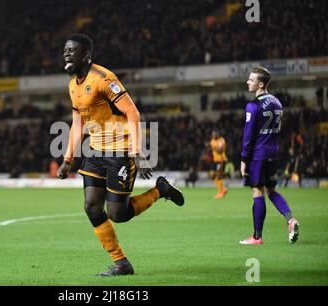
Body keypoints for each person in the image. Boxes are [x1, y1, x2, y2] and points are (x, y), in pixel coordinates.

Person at [57, 33, 184, 276]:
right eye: (65, 50)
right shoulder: (73, 85)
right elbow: (77, 123)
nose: (66, 54)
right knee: (92, 207)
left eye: (72, 51)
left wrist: (137, 152)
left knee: (118, 214)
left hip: (120, 152)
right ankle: (122, 263)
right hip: (94, 151)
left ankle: (160, 190)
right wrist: (67, 159)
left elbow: (133, 113)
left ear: (86, 55)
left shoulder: (105, 79)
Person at [240, 67, 299, 245]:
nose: (248, 82)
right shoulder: (277, 102)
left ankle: (257, 237)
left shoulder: (253, 106)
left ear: (261, 84)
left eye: (251, 80)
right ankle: (291, 220)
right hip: (273, 153)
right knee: (271, 191)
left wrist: (244, 159)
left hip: (258, 155)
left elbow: (248, 135)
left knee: (257, 192)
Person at [208, 131, 228, 199]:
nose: (214, 136)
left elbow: (220, 150)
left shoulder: (221, 140)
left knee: (219, 175)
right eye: (213, 134)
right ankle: (223, 189)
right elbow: (212, 148)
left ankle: (221, 192)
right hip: (215, 160)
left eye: (215, 134)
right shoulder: (212, 140)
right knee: (212, 175)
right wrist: (213, 148)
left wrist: (214, 148)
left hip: (221, 160)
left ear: (218, 134)